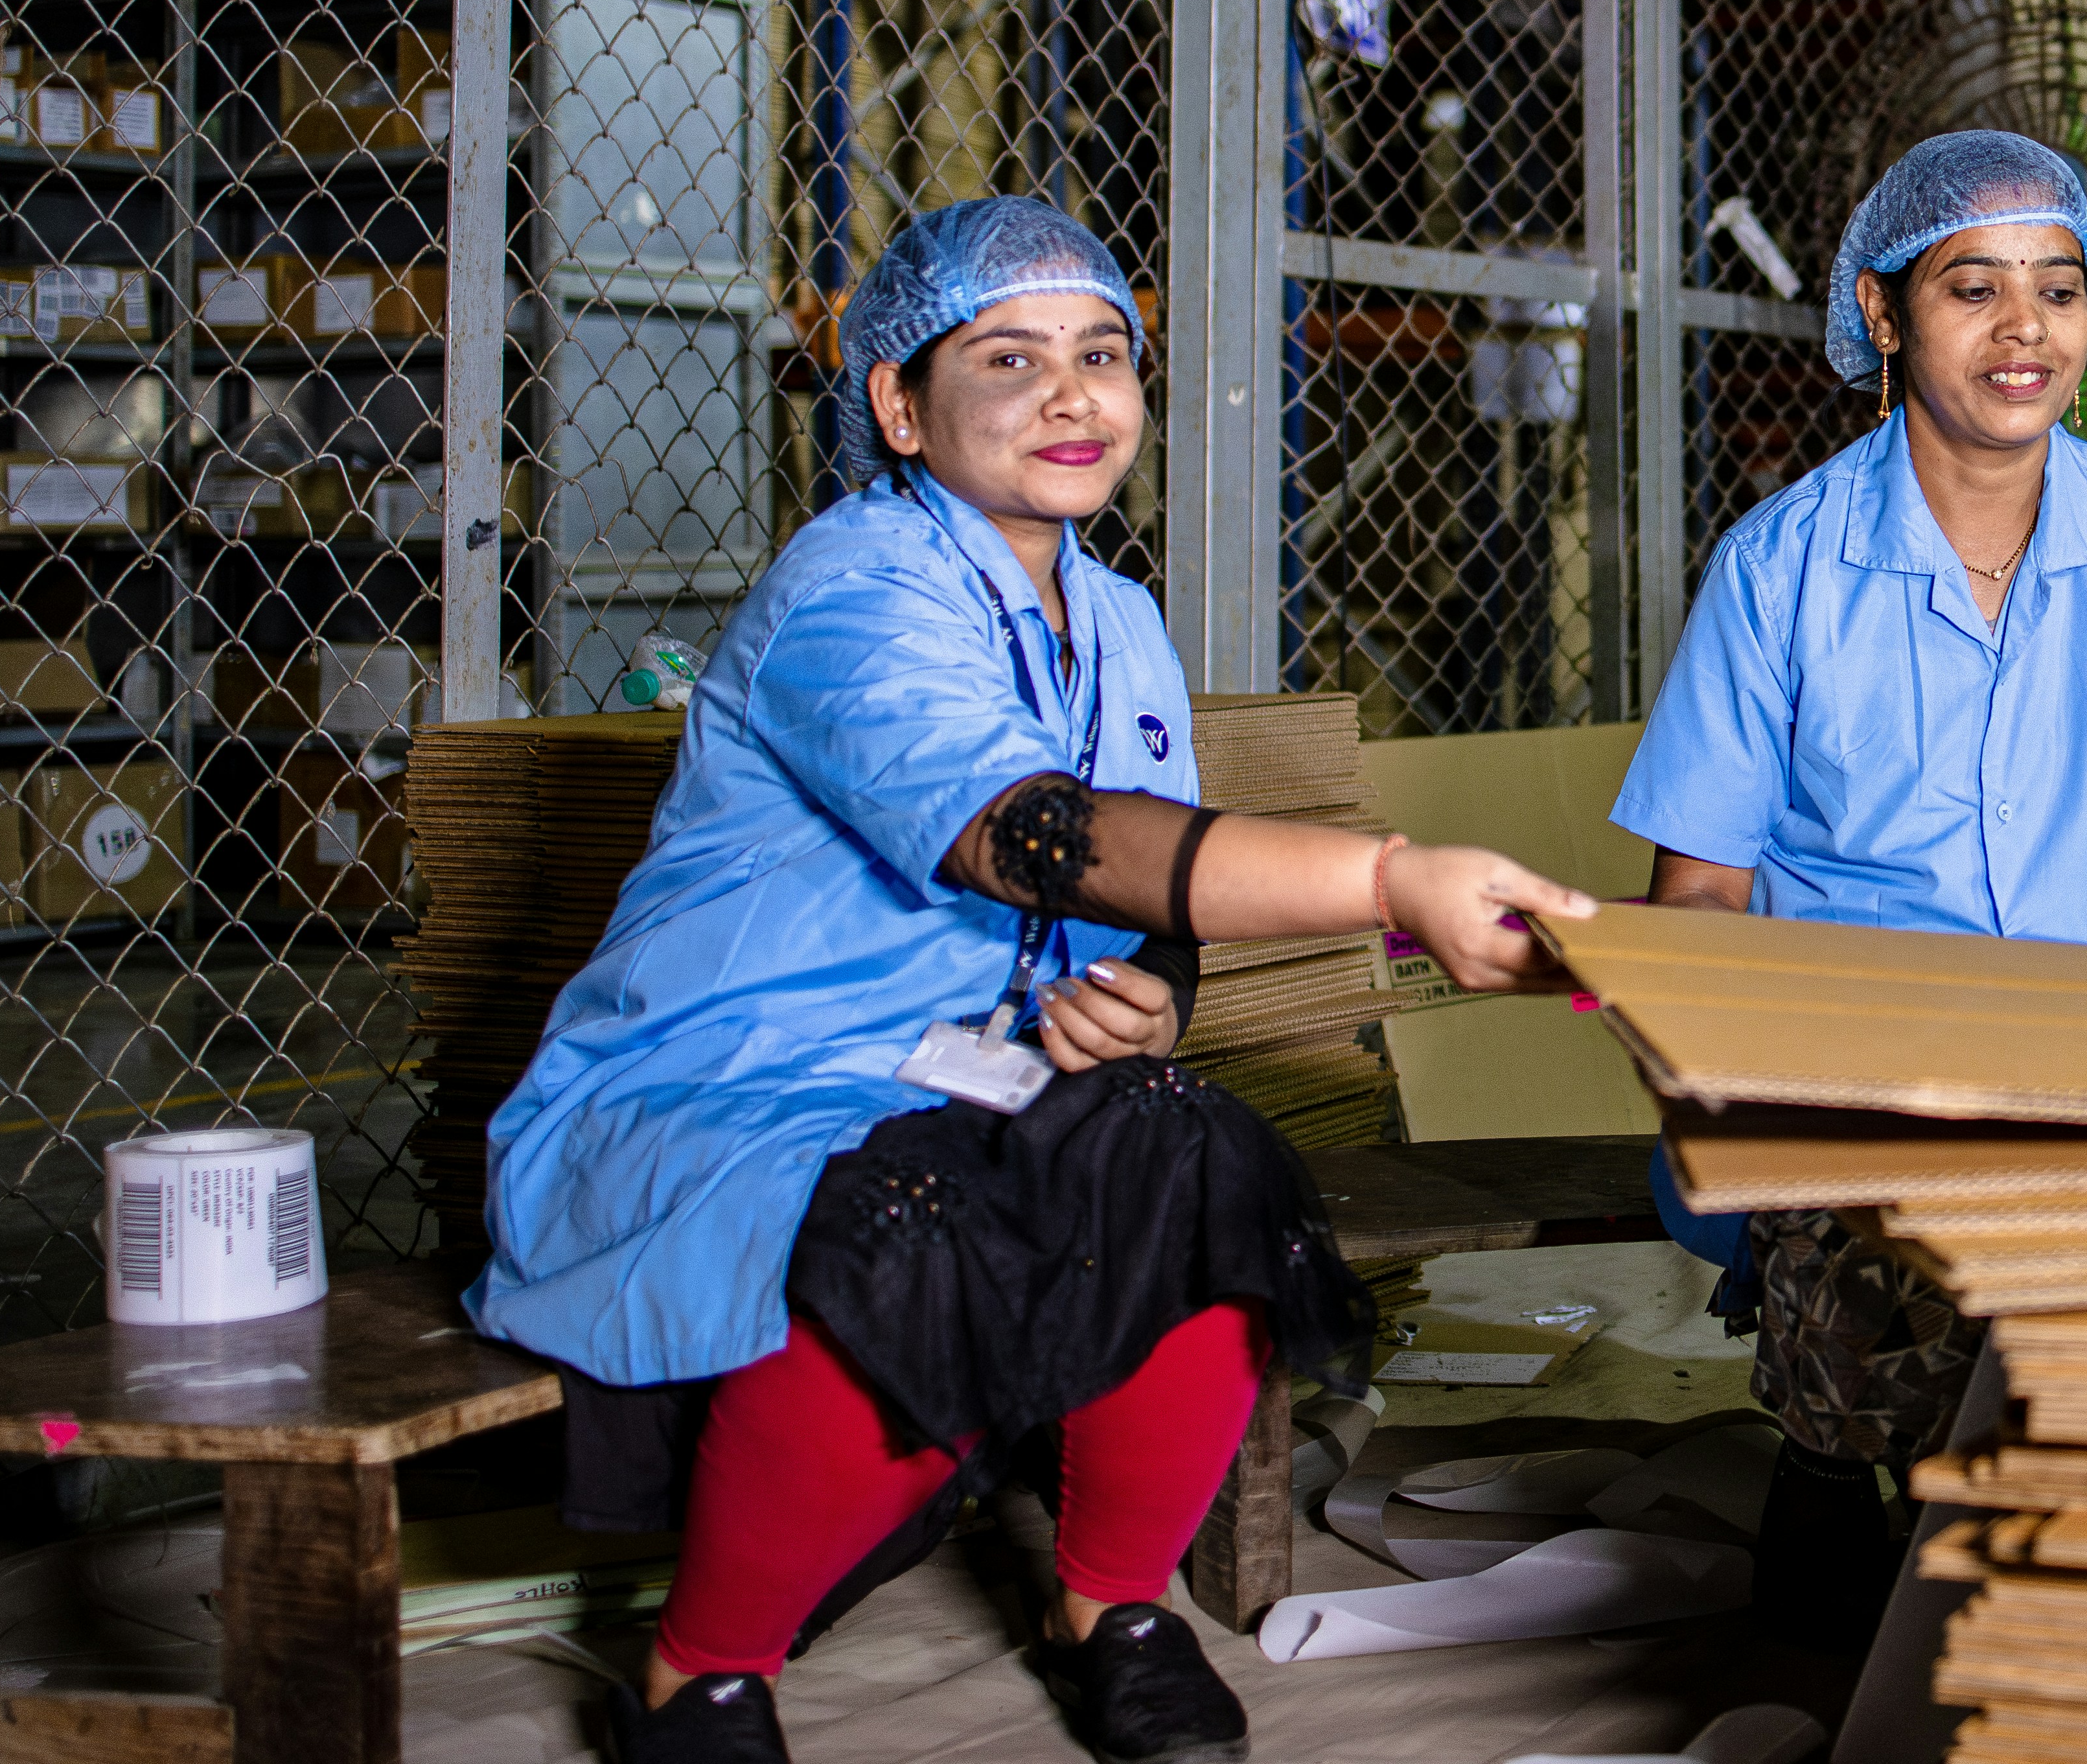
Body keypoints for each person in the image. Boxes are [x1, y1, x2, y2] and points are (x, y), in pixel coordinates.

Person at [469, 198, 1593, 1764]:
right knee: (917, 1223)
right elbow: (1027, 834)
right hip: (729, 1087)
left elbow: (1151, 904)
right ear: (897, 402)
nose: (1074, 397)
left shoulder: (1117, 616)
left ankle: (1114, 1601)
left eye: (1103, 355)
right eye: (1011, 358)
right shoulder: (850, 589)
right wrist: (1391, 878)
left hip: (970, 1078)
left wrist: (1159, 1001)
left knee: (1191, 1152)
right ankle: (703, 1664)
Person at [1608, 129, 2087, 1653]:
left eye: (2061, 288)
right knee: (1884, 1276)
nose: (2027, 328)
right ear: (1885, 315)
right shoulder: (1784, 565)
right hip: (1861, 1067)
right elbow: (1693, 891)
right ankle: (1840, 1499)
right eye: (1976, 288)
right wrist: (1757, 1055)